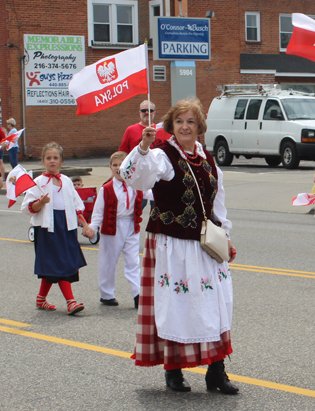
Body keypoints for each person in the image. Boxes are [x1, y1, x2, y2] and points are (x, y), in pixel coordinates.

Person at [120, 98, 239, 394]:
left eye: (191, 122)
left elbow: (217, 202)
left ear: (199, 127)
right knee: (176, 307)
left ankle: (216, 372)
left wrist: (225, 233)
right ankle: (173, 371)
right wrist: (144, 148)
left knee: (215, 306)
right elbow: (134, 176)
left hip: (205, 246)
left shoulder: (208, 159)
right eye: (180, 121)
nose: (185, 127)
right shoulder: (162, 156)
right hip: (173, 245)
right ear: (171, 126)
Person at [21, 142, 89, 315]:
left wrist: (85, 225)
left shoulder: (66, 181)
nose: (52, 161)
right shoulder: (38, 182)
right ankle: (71, 302)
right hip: (47, 228)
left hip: (66, 226)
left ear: (61, 161)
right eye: (48, 158)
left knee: (56, 264)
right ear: (43, 161)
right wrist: (41, 202)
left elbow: (76, 206)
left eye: (55, 158)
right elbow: (28, 208)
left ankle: (41, 299)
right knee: (59, 263)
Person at [84, 152, 143, 308]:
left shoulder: (136, 184)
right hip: (112, 226)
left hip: (131, 225)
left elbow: (153, 192)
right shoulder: (106, 189)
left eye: (122, 164)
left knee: (133, 261)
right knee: (109, 261)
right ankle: (107, 294)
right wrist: (92, 227)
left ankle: (138, 294)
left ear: (129, 166)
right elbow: (97, 213)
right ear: (110, 168)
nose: (118, 168)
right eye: (115, 165)